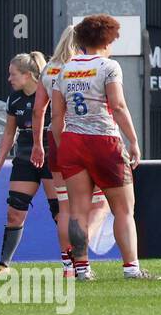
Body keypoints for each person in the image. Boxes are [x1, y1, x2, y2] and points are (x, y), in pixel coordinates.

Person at [52, 14, 158, 280]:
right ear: (107, 40)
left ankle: (82, 269)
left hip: (73, 140)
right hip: (104, 141)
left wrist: (62, 145)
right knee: (123, 209)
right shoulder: (109, 67)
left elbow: (56, 117)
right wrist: (133, 140)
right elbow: (119, 106)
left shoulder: (64, 69)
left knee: (77, 210)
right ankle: (131, 268)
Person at [31, 26, 110, 276]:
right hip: (84, 137)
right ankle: (81, 249)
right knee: (100, 203)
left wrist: (37, 144)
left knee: (65, 207)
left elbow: (38, 111)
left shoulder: (49, 69)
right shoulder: (81, 67)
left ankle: (68, 264)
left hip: (55, 141)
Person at [0, 52, 59, 272]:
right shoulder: (14, 99)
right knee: (14, 211)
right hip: (25, 158)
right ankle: (4, 264)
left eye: (13, 74)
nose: (9, 79)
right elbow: (9, 133)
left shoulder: (51, 93)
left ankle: (74, 262)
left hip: (50, 156)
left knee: (58, 211)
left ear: (27, 75)